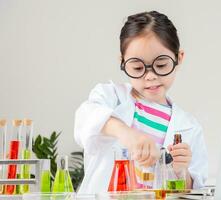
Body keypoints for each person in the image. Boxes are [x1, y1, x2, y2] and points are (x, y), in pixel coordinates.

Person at [74, 10, 208, 194]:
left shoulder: (190, 127)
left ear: (179, 58)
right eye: (137, 67)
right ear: (123, 63)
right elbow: (87, 116)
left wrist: (180, 171)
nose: (150, 76)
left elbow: (194, 188)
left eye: (161, 65)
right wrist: (128, 135)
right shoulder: (112, 97)